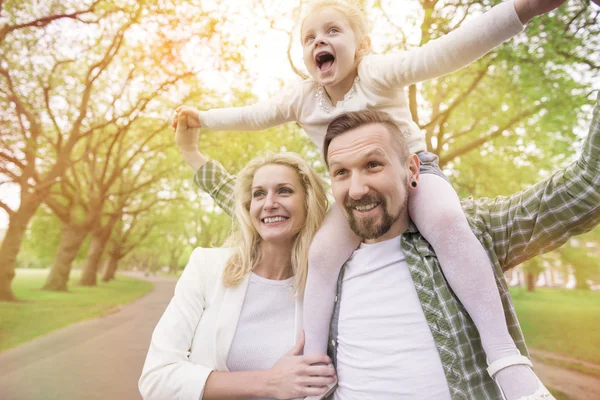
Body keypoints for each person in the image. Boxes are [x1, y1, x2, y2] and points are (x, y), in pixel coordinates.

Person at [173, 0, 567, 398]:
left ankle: (504, 358)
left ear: (361, 45)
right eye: (309, 38)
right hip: (359, 195)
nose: (318, 42)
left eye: (332, 32)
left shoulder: (376, 73)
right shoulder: (302, 99)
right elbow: (253, 116)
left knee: (448, 224)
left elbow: (444, 53)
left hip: (416, 176)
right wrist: (202, 119)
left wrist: (523, 10)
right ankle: (312, 361)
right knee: (322, 253)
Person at [138, 140, 334, 399]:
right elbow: (157, 377)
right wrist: (269, 382)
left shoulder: (326, 285)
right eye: (259, 194)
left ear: (309, 202)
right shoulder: (206, 267)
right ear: (247, 206)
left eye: (284, 191)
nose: (269, 203)